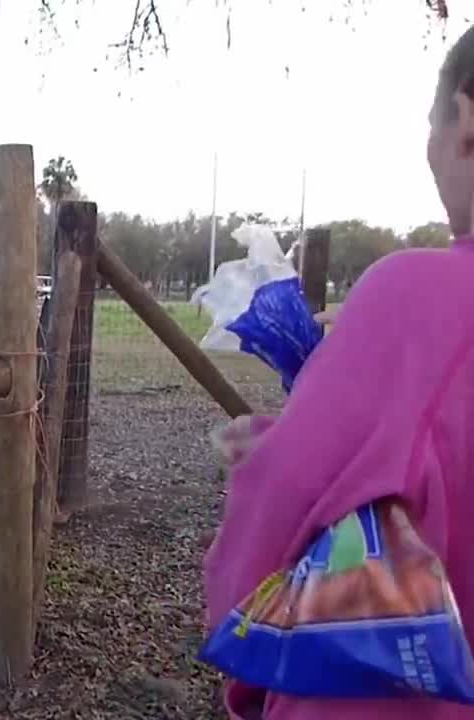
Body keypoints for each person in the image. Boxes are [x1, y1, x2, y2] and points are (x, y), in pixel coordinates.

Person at [202, 23, 474, 720]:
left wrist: (269, 462)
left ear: (465, 120)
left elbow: (285, 496)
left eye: (430, 120)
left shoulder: (418, 299)